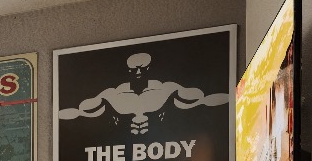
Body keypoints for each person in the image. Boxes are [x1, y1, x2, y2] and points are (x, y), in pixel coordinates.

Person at [58, 52, 230, 135]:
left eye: (142, 68)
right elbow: (80, 111)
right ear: (128, 70)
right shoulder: (112, 96)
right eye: (134, 69)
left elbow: (201, 99)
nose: (138, 72)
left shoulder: (166, 90)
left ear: (149, 68)